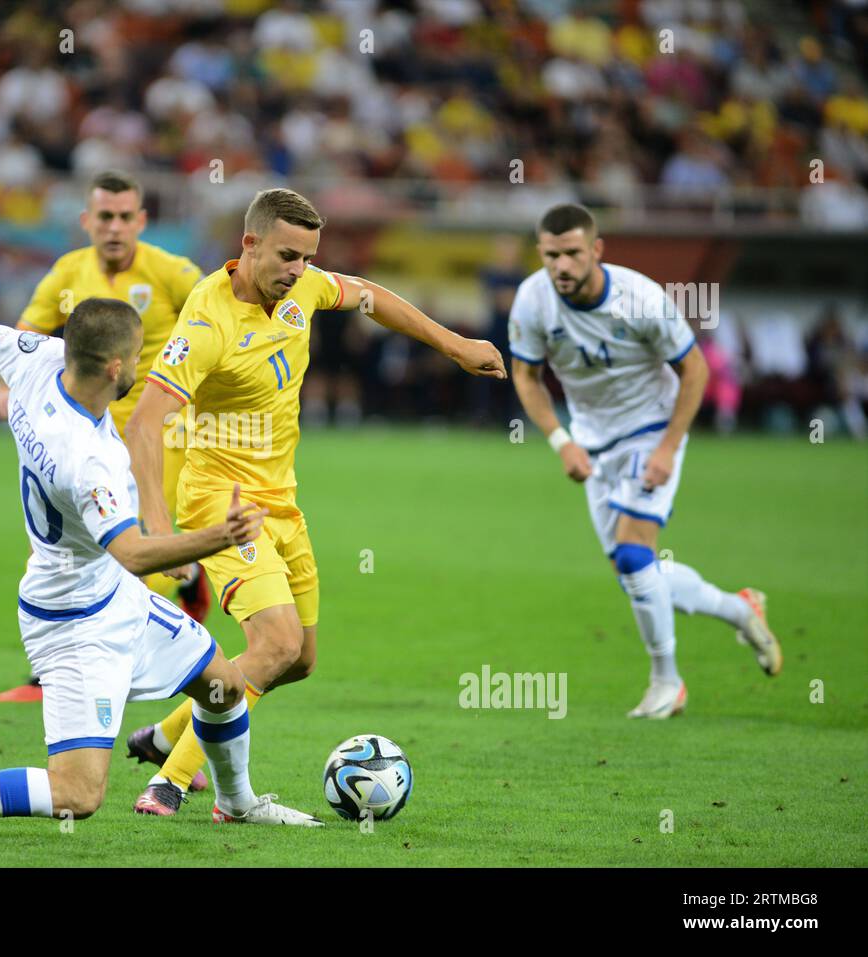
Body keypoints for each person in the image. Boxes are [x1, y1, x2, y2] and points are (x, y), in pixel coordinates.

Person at [0, 263, 321, 831]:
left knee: (224, 687)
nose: (142, 365)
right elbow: (133, 554)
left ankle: (237, 803)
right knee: (77, 795)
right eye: (138, 357)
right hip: (73, 620)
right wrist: (219, 538)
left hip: (111, 598)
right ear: (115, 368)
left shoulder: (37, 362)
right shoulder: (91, 460)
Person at [123, 187, 506, 815]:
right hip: (224, 505)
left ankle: (163, 733)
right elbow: (145, 423)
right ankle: (173, 780)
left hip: (282, 501)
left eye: (307, 258)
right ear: (248, 245)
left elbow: (370, 296)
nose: (299, 271)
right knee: (272, 645)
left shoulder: (300, 289)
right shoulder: (206, 322)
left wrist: (456, 346)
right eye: (287, 256)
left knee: (299, 659)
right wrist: (161, 533)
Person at [509, 203, 782, 719]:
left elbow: (695, 370)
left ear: (596, 251)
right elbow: (526, 375)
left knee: (636, 558)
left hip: (650, 432)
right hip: (592, 444)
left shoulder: (640, 298)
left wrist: (667, 448)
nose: (561, 266)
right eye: (550, 256)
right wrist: (560, 441)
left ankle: (667, 682)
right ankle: (738, 609)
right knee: (636, 573)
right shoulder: (532, 300)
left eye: (571, 254)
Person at [0, 170, 210, 707]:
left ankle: (100, 674)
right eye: (104, 217)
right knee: (62, 541)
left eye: (124, 217)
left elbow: (218, 318)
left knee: (133, 545)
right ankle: (182, 591)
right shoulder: (69, 272)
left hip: (158, 429)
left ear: (142, 221)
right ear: (87, 221)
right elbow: (23, 334)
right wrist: (0, 388)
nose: (114, 228)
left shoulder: (172, 273)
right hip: (84, 431)